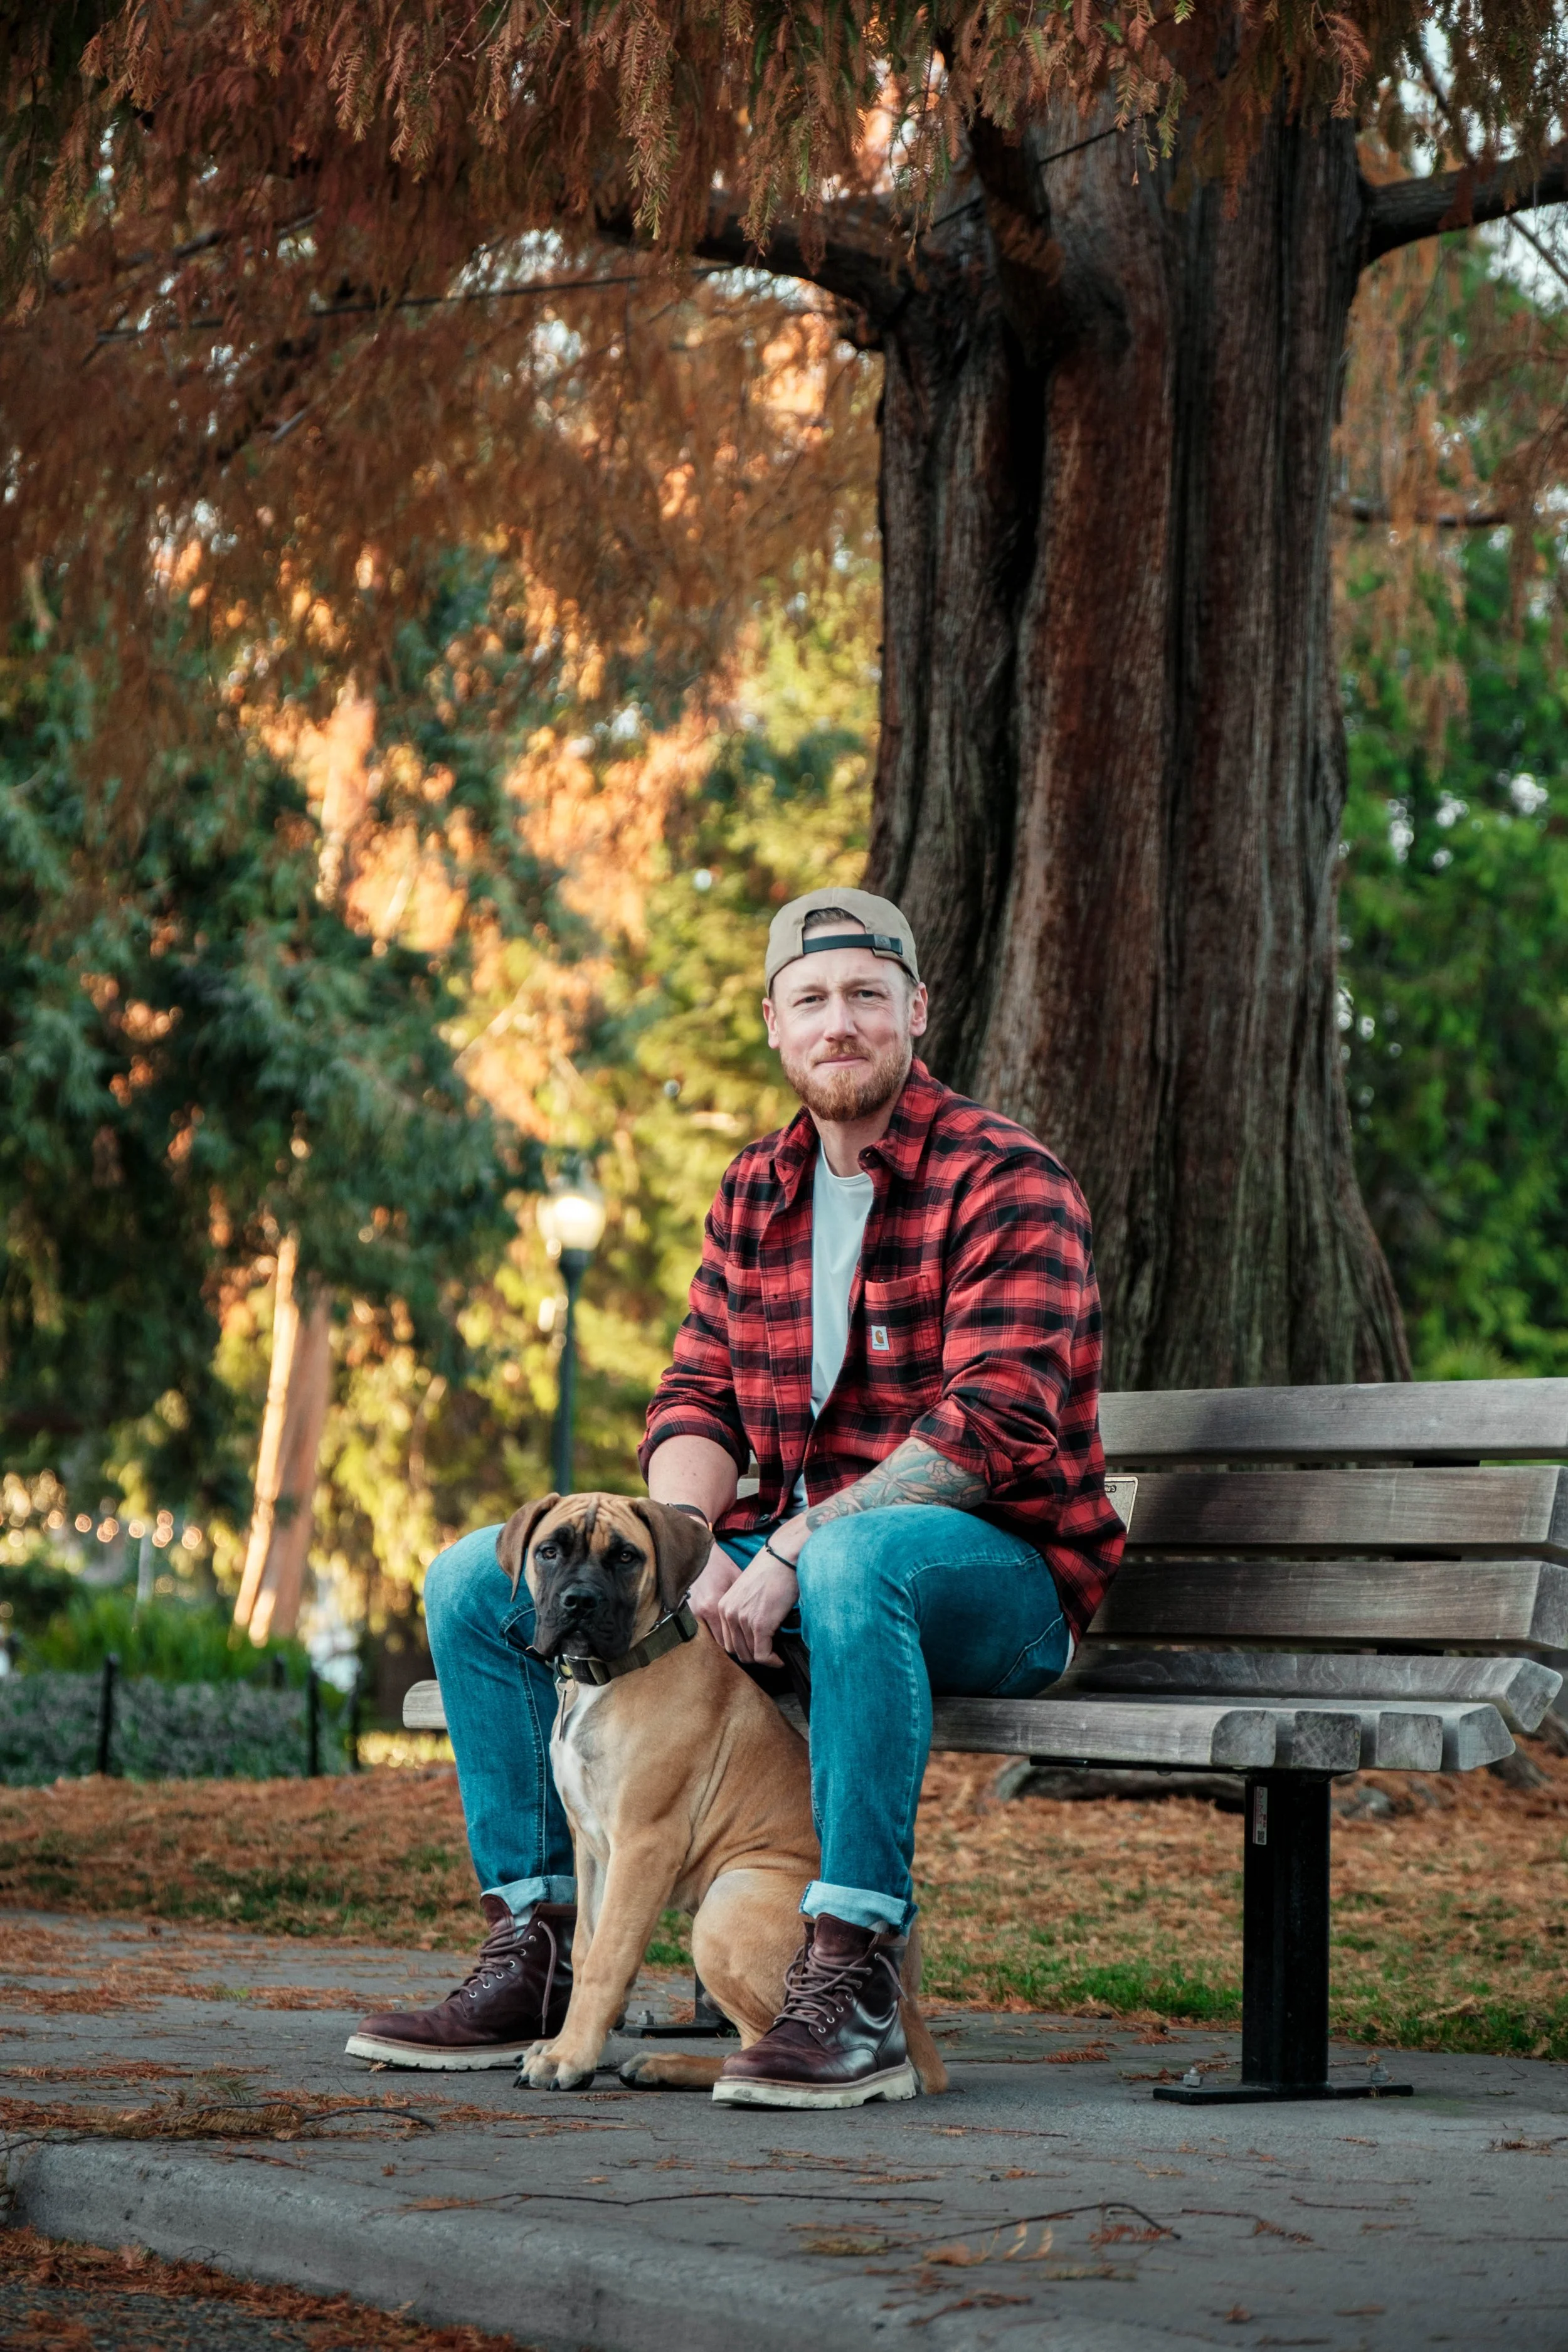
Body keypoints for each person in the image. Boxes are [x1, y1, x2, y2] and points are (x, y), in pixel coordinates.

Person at [347, 886, 1124, 2104]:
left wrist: (792, 1544)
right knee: (465, 1583)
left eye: (865, 994)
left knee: (855, 1561)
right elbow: (695, 1395)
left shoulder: (1003, 1178)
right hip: (801, 1563)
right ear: (774, 1023)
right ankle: (538, 1953)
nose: (838, 1022)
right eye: (810, 999)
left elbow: (996, 1421)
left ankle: (851, 1970)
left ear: (916, 1010)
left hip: (999, 1578)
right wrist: (693, 1540)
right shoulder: (757, 1188)